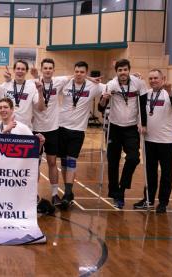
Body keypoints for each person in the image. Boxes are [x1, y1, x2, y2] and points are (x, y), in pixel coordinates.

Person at [99, 59, 148, 209]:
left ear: (129, 70)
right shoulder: (111, 84)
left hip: (131, 128)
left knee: (133, 158)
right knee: (113, 162)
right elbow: (101, 109)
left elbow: (143, 105)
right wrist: (104, 99)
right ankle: (115, 194)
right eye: (120, 70)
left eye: (125, 69)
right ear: (116, 72)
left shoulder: (138, 83)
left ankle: (121, 189)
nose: (123, 73)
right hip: (114, 127)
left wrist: (143, 124)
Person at [57, 61, 105, 210]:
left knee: (72, 161)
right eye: (76, 71)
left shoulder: (94, 86)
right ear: (74, 71)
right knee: (64, 162)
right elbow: (49, 79)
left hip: (78, 130)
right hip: (61, 127)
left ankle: (68, 192)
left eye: (82, 72)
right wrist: (87, 77)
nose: (78, 74)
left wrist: (135, 78)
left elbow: (113, 86)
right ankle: (68, 192)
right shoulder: (65, 82)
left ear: (86, 72)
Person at [133, 69, 172, 213]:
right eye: (151, 78)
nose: (153, 80)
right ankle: (148, 199)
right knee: (150, 172)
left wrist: (170, 91)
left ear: (163, 78)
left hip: (167, 141)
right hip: (149, 141)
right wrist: (140, 125)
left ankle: (163, 202)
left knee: (166, 173)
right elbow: (141, 111)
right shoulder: (147, 94)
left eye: (156, 78)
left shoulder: (170, 92)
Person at [32, 58, 72, 206]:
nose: (48, 70)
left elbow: (75, 76)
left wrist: (90, 78)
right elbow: (40, 107)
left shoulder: (59, 81)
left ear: (53, 70)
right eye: (45, 68)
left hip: (53, 129)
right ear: (42, 69)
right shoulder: (33, 84)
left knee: (52, 162)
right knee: (34, 164)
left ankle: (55, 194)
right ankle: (33, 193)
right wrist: (40, 90)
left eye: (50, 68)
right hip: (36, 129)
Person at [1, 60, 44, 129]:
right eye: (18, 68)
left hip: (25, 129)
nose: (20, 71)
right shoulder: (5, 85)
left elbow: (41, 108)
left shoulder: (32, 86)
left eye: (23, 69)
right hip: (8, 128)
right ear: (14, 70)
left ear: (26, 71)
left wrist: (40, 92)